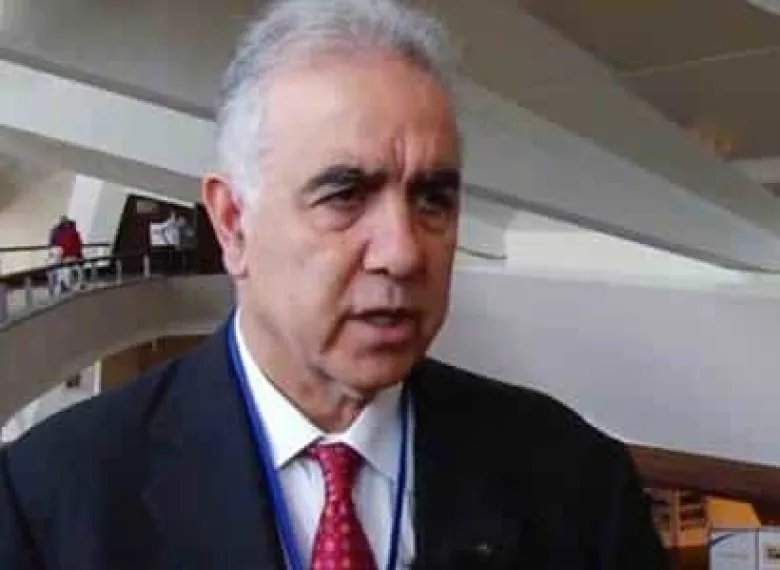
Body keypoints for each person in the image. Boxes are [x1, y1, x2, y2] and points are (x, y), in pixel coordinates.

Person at [0, 0, 669, 568]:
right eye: (345, 195)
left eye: (433, 199)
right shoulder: (49, 503)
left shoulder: (578, 484)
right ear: (233, 224)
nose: (403, 253)